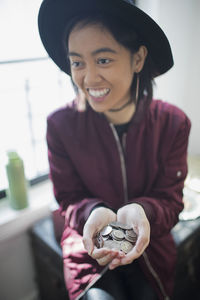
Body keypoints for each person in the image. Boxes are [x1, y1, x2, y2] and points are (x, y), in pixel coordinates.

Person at [38, 1, 191, 300]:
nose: (89, 79)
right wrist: (93, 212)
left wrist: (142, 212)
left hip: (152, 245)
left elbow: (170, 201)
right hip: (87, 248)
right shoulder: (60, 126)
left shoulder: (173, 124)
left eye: (103, 60)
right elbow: (68, 198)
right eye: (77, 62)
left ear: (138, 59)